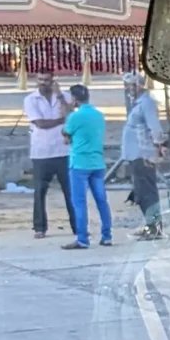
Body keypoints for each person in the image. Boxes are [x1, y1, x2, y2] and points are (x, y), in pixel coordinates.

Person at [22, 70, 78, 240]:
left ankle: (78, 226)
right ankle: (40, 227)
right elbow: (40, 123)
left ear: (53, 80)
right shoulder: (30, 99)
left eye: (47, 80)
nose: (43, 83)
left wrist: (59, 94)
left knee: (71, 192)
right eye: (40, 79)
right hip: (41, 152)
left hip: (64, 151)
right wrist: (62, 121)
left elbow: (71, 112)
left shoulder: (64, 96)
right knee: (40, 191)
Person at [61, 80, 112, 249]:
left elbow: (66, 133)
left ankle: (82, 238)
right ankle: (107, 235)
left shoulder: (75, 116)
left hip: (80, 163)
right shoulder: (98, 115)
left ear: (75, 99)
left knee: (79, 202)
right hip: (97, 162)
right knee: (102, 201)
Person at [119, 70, 165, 241]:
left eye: (129, 85)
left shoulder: (147, 103)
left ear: (137, 85)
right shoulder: (139, 103)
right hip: (135, 154)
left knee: (147, 191)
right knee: (141, 191)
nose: (127, 89)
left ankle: (155, 228)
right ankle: (150, 224)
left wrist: (159, 147)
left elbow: (155, 128)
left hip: (144, 154)